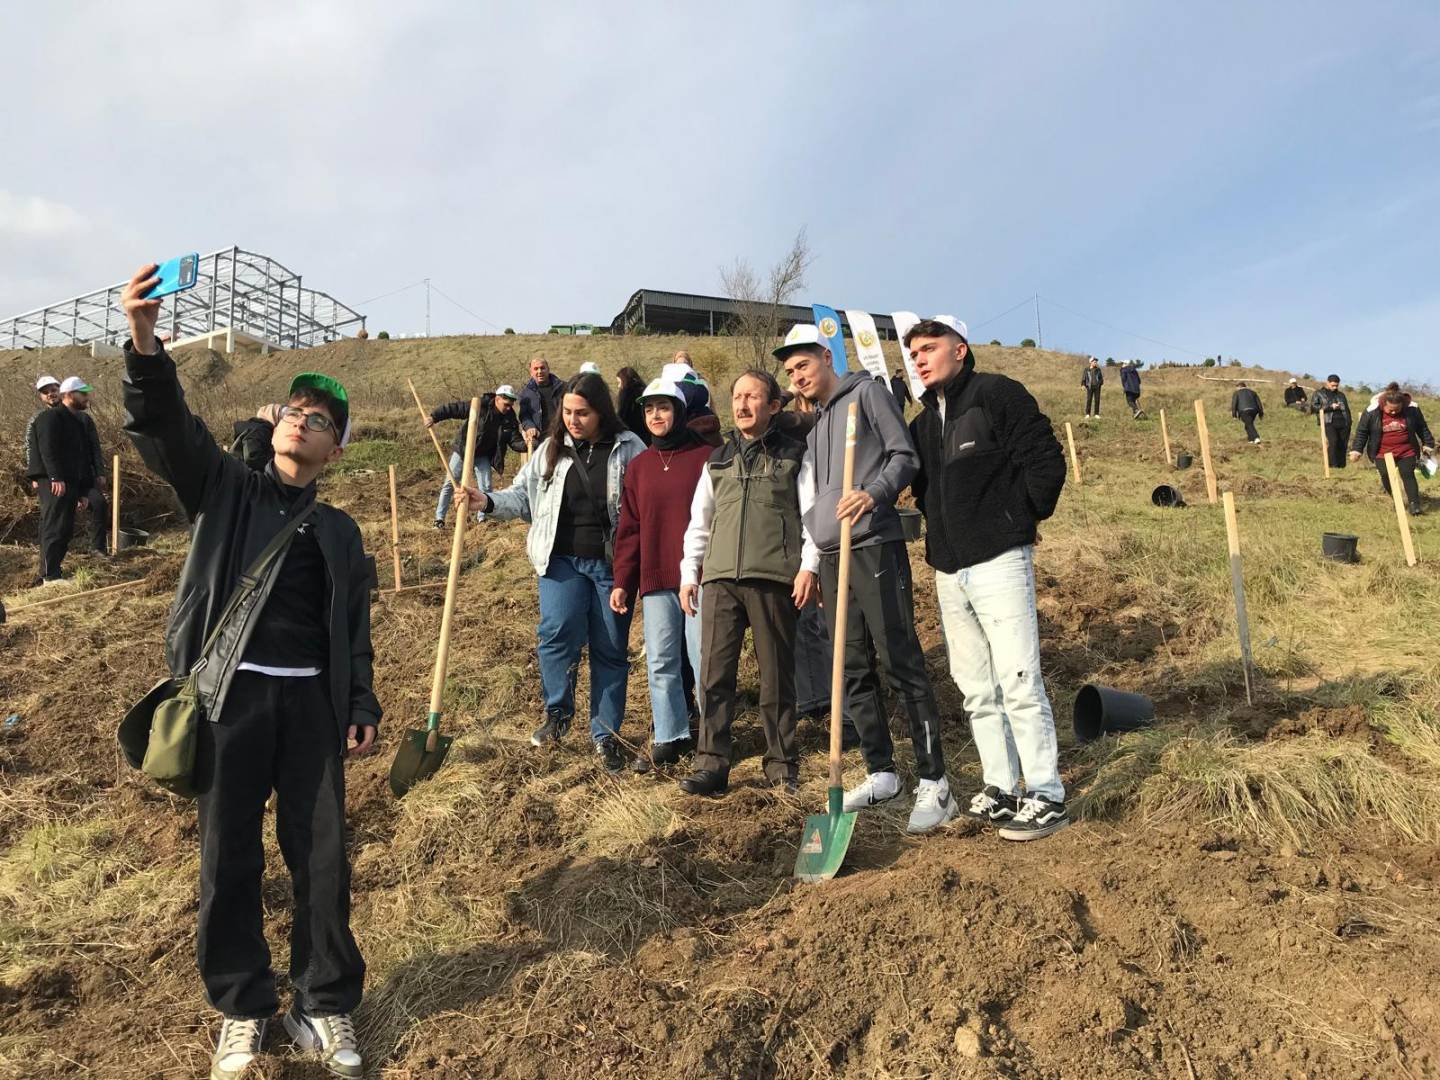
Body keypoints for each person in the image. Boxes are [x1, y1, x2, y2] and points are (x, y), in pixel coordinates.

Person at [119, 263, 378, 1079]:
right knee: (228, 856)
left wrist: (362, 700)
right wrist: (144, 342)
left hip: (310, 711)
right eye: (295, 411)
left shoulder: (339, 532)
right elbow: (167, 428)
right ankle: (242, 1008)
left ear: (336, 448)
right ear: (275, 427)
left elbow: (355, 630)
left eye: (319, 420)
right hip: (228, 702)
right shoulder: (225, 490)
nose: (302, 422)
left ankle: (322, 1002)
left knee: (322, 860)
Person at [779, 325, 954, 832]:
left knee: (899, 657)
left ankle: (935, 780)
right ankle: (882, 771)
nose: (797, 378)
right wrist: (815, 556)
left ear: (826, 356)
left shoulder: (868, 394)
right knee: (851, 665)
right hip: (833, 554)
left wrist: (873, 493)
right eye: (790, 372)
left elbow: (905, 457)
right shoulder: (816, 426)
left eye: (803, 366)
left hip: (874, 543)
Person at [906, 316, 1070, 841]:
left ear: (960, 349)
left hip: (999, 559)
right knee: (976, 687)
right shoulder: (922, 424)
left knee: (1019, 679)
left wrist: (1020, 518)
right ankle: (1001, 786)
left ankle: (1046, 793)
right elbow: (922, 491)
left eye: (929, 348)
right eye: (914, 353)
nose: (920, 359)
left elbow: (1045, 459)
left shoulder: (997, 394)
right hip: (949, 570)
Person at [464, 373, 645, 769]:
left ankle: (606, 735)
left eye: (583, 413)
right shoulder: (551, 448)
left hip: (610, 567)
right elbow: (522, 497)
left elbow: (645, 508)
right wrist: (487, 501)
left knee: (610, 647)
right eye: (567, 412)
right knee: (556, 633)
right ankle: (558, 713)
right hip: (560, 560)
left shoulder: (630, 448)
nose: (573, 420)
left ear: (602, 412)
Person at [677, 369, 818, 796]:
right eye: (737, 396)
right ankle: (711, 763)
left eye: (752, 397)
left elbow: (812, 517)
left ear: (773, 406)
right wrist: (690, 573)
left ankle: (781, 765)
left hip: (774, 578)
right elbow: (699, 521)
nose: (742, 404)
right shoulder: (717, 459)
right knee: (714, 675)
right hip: (719, 579)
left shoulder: (795, 456)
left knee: (777, 676)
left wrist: (809, 567)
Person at [609, 379, 712, 770]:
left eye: (663, 407)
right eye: (649, 408)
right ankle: (671, 735)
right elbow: (630, 529)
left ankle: (713, 737)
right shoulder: (639, 467)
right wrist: (623, 581)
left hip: (698, 576)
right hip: (655, 578)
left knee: (703, 659)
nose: (655, 415)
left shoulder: (706, 458)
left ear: (679, 412)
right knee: (661, 660)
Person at [32, 375, 109, 582]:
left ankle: (54, 572)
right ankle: (49, 576)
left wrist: (82, 491)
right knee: (54, 527)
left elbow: (81, 458)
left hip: (71, 482)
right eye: (82, 393)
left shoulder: (78, 422)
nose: (86, 397)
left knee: (64, 529)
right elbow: (47, 450)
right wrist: (55, 477)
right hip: (53, 482)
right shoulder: (50, 418)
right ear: (68, 395)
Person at [427, 385, 526, 526]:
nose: (509, 408)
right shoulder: (479, 405)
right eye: (506, 405)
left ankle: (483, 518)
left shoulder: (509, 418)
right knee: (450, 483)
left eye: (511, 405)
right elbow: (455, 409)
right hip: (463, 450)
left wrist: (528, 445)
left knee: (486, 486)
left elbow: (514, 440)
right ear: (497, 399)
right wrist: (434, 417)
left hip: (482, 454)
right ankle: (439, 519)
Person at [1350, 389, 1434, 515]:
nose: (1394, 412)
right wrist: (1357, 450)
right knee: (1386, 476)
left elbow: (1422, 427)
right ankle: (1398, 501)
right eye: (1390, 410)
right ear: (1383, 404)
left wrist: (1427, 444)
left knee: (1408, 474)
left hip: (1406, 450)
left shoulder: (1412, 410)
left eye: (1397, 409)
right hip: (1382, 452)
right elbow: (1362, 431)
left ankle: (1414, 505)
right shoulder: (1372, 412)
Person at [518, 356, 567, 455]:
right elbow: (524, 415)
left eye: (542, 368)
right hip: (540, 440)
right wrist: (530, 427)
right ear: (531, 372)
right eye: (536, 369)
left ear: (548, 369)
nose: (539, 371)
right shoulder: (526, 393)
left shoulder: (564, 387)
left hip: (563, 437)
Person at [23, 374, 63, 494]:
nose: (50, 394)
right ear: (41, 396)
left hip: (73, 471)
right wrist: (34, 475)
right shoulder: (36, 418)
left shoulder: (73, 413)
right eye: (45, 392)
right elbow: (29, 446)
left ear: (60, 390)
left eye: (53, 390)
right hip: (46, 475)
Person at [1311, 375, 1351, 470]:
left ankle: (1341, 466)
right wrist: (1329, 407)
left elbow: (1347, 409)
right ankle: (1332, 465)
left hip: (1343, 422)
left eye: (1337, 385)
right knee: (1333, 441)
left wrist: (1349, 422)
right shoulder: (1318, 393)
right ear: (1327, 383)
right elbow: (1313, 407)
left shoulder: (1341, 395)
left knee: (1343, 444)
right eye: (1333, 385)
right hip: (1328, 422)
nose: (1335, 387)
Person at [614, 366, 650, 445]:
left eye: (619, 382)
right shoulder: (645, 390)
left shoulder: (626, 393)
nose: (618, 386)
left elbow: (622, 415)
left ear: (624, 380)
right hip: (647, 434)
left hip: (632, 434)